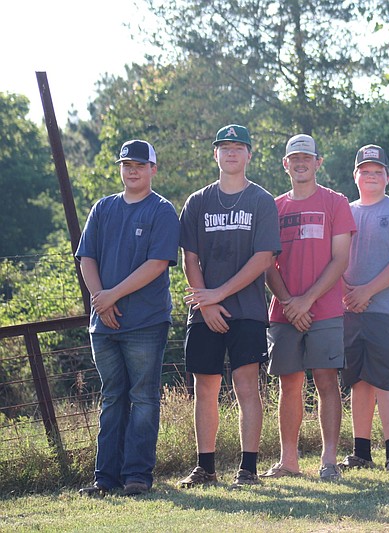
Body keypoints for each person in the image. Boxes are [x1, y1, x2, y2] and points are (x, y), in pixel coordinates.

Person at [177, 124, 281, 488]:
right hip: (203, 309)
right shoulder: (198, 201)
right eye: (225, 147)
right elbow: (190, 258)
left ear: (249, 155)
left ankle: (248, 469)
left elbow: (264, 258)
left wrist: (217, 295)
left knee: (246, 386)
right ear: (215, 154)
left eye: (239, 147)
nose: (231, 153)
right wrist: (205, 303)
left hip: (247, 309)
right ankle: (205, 468)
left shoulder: (261, 201)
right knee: (204, 387)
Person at [77, 139, 180, 497]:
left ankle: (137, 475)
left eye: (139, 165)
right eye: (126, 164)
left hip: (145, 323)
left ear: (153, 168)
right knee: (111, 398)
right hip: (103, 325)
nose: (132, 170)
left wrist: (112, 296)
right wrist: (99, 300)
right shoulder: (103, 208)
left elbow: (157, 263)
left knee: (144, 399)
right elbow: (86, 257)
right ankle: (104, 479)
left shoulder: (162, 211)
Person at [264, 134, 356, 481]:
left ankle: (328, 461)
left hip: (326, 309)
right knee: (289, 385)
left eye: (307, 157)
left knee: (326, 381)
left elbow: (340, 259)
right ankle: (289, 462)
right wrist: (290, 302)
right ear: (285, 164)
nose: (300, 163)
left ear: (318, 162)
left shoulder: (336, 202)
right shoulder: (272, 208)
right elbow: (265, 263)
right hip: (284, 312)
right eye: (294, 158)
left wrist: (307, 300)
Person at [338, 145, 389, 473]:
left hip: (386, 310)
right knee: (358, 381)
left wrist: (367, 291)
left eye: (377, 171)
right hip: (348, 310)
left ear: (387, 176)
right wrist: (347, 293)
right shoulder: (344, 209)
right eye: (364, 170)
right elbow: (335, 258)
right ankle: (361, 452)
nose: (371, 176)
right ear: (355, 175)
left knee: (386, 381)